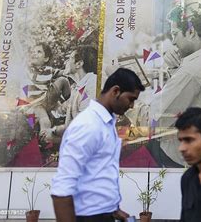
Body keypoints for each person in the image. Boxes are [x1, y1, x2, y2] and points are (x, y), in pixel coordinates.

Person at [51, 68, 145, 222]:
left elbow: (97, 175)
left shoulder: (105, 123)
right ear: (115, 91)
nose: (132, 106)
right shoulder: (89, 125)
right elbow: (62, 189)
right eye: (131, 99)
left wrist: (113, 210)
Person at [146, 7, 201, 167]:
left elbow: (157, 119)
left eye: (175, 34)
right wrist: (175, 70)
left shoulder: (191, 70)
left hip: (179, 156)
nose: (173, 42)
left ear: (191, 32)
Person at [41, 45, 98, 143]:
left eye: (70, 58)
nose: (66, 62)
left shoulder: (92, 84)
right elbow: (60, 111)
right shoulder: (78, 88)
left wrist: (53, 137)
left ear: (79, 64)